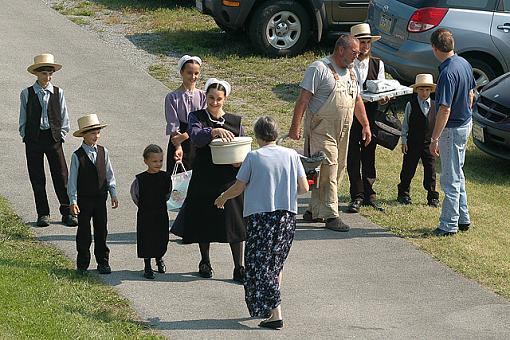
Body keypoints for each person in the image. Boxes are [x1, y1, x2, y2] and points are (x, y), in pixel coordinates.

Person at [214, 116, 309, 330]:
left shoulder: (253, 157)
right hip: (286, 216)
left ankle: (275, 312)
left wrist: (222, 197)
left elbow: (239, 187)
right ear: (275, 133)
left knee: (259, 265)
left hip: (260, 217)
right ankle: (269, 304)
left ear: (257, 136)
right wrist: (283, 192)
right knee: (275, 263)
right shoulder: (292, 155)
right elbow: (303, 188)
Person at [288, 34, 372, 232]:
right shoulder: (318, 69)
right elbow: (303, 100)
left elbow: (357, 100)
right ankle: (331, 215)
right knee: (329, 167)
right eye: (354, 52)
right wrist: (295, 127)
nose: (356, 56)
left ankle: (314, 210)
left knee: (336, 169)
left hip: (344, 130)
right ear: (340, 50)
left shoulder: (351, 72)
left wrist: (366, 125)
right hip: (321, 129)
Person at [171, 78, 246, 281]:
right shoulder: (197, 117)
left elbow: (244, 148)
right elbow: (195, 136)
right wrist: (213, 131)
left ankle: (239, 266)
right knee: (203, 220)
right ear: (205, 97)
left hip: (228, 179)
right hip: (204, 175)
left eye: (218, 99)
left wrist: (239, 164)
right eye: (211, 98)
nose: (214, 103)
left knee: (234, 222)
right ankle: (205, 261)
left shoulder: (235, 121)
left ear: (225, 99)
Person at [19, 53, 77, 227]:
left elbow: (63, 115)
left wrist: (61, 134)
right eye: (44, 73)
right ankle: (43, 213)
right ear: (37, 74)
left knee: (61, 175)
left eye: (50, 73)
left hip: (53, 138)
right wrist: (26, 135)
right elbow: (23, 117)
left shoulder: (58, 92)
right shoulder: (27, 93)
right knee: (37, 176)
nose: (47, 77)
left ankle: (67, 212)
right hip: (33, 139)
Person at [429, 28, 476, 236]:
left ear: (434, 47)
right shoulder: (463, 63)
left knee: (450, 178)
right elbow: (471, 94)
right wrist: (467, 112)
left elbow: (444, 109)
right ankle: (463, 218)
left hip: (452, 129)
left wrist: (435, 138)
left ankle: (449, 224)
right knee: (458, 172)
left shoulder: (447, 73)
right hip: (465, 123)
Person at [68, 114, 119, 274]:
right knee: (83, 231)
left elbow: (109, 174)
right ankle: (82, 263)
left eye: (97, 132)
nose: (96, 136)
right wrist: (73, 200)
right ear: (83, 135)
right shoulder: (77, 156)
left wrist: (113, 192)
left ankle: (103, 261)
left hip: (100, 199)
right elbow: (72, 180)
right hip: (84, 200)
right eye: (92, 133)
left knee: (101, 230)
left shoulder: (104, 152)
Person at [347, 23, 387, 213]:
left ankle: (370, 193)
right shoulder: (348, 64)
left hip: (371, 114)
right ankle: (357, 195)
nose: (365, 46)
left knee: (369, 154)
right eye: (362, 42)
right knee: (353, 156)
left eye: (368, 42)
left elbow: (380, 89)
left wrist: (384, 98)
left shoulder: (378, 63)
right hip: (351, 115)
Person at [397, 73, 440, 207]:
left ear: (430, 91)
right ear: (417, 90)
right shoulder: (411, 104)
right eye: (421, 89)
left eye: (427, 90)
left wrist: (436, 141)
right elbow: (406, 124)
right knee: (408, 169)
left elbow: (438, 124)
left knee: (431, 170)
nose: (424, 92)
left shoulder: (435, 105)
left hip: (429, 144)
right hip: (413, 143)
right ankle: (403, 193)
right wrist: (403, 140)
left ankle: (432, 196)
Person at [131, 144, 172, 279]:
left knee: (161, 237)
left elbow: (168, 194)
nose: (158, 164)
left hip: (160, 213)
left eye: (160, 161)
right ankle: (147, 265)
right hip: (145, 214)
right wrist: (144, 205)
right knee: (146, 238)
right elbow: (135, 196)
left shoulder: (166, 177)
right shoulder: (140, 179)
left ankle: (159, 258)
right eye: (154, 161)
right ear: (146, 161)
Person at [164, 55, 206, 172]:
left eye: (196, 73)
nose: (193, 77)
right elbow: (173, 124)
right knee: (179, 180)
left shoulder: (203, 96)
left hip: (198, 139)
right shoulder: (172, 97)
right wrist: (178, 145)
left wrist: (185, 136)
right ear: (182, 72)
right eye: (189, 73)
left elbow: (203, 120)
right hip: (178, 140)